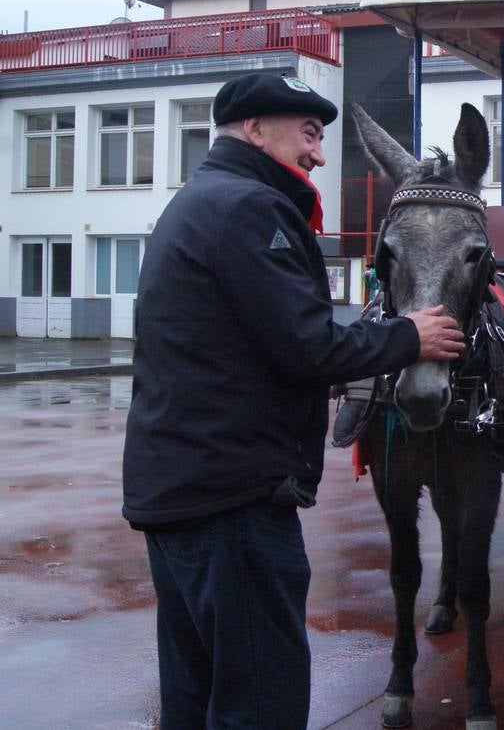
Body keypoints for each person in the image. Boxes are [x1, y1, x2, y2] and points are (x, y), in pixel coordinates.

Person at [122, 73, 465, 728]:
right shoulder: (251, 208)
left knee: (195, 698)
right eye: (308, 134)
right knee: (261, 701)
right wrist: (408, 336)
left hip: (183, 492)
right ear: (254, 128)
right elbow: (308, 349)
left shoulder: (199, 201)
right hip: (233, 502)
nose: (317, 153)